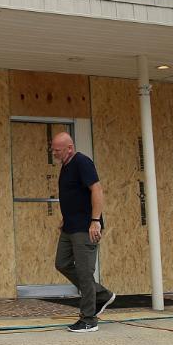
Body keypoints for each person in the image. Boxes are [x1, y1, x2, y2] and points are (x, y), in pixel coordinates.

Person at [52, 131, 116, 332]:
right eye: (52, 149)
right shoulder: (65, 166)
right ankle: (102, 295)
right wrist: (66, 217)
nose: (53, 153)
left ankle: (89, 319)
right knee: (61, 263)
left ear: (69, 148)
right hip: (70, 226)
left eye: (57, 150)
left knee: (84, 272)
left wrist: (95, 221)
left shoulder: (82, 162)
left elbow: (96, 190)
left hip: (85, 227)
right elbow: (74, 195)